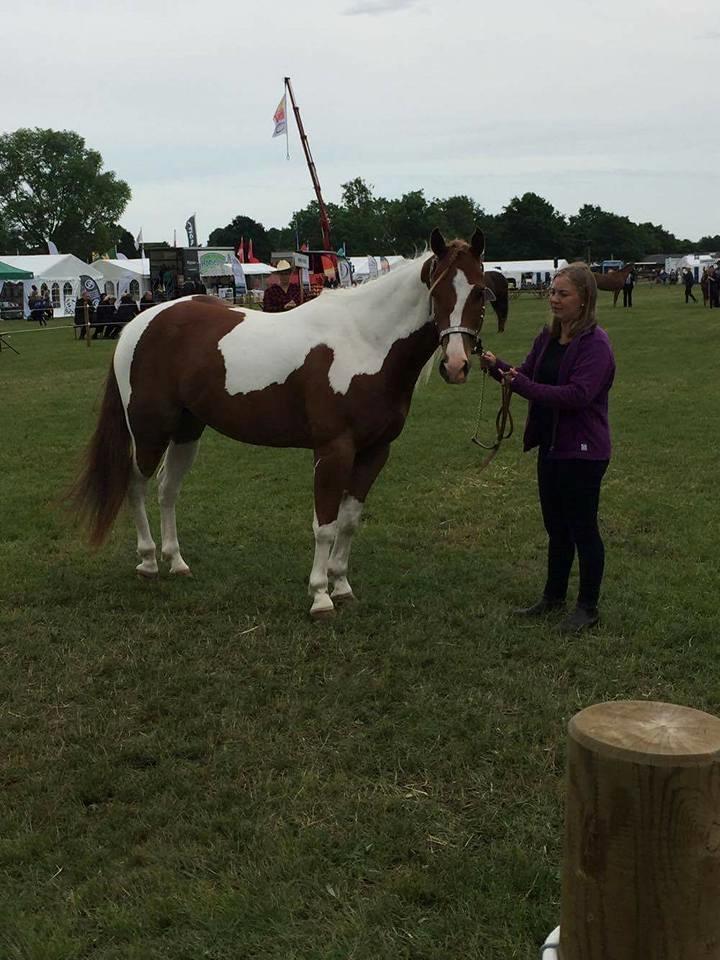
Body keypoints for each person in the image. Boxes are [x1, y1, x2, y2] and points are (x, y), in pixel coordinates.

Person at [481, 262, 616, 633]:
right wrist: (497, 367)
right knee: (557, 529)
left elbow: (577, 395)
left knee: (583, 529)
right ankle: (553, 597)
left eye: (562, 294)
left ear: (584, 299)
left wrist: (521, 386)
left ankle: (587, 607)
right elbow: (526, 375)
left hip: (584, 451)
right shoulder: (548, 338)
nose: (553, 299)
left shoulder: (596, 345)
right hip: (553, 448)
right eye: (552, 292)